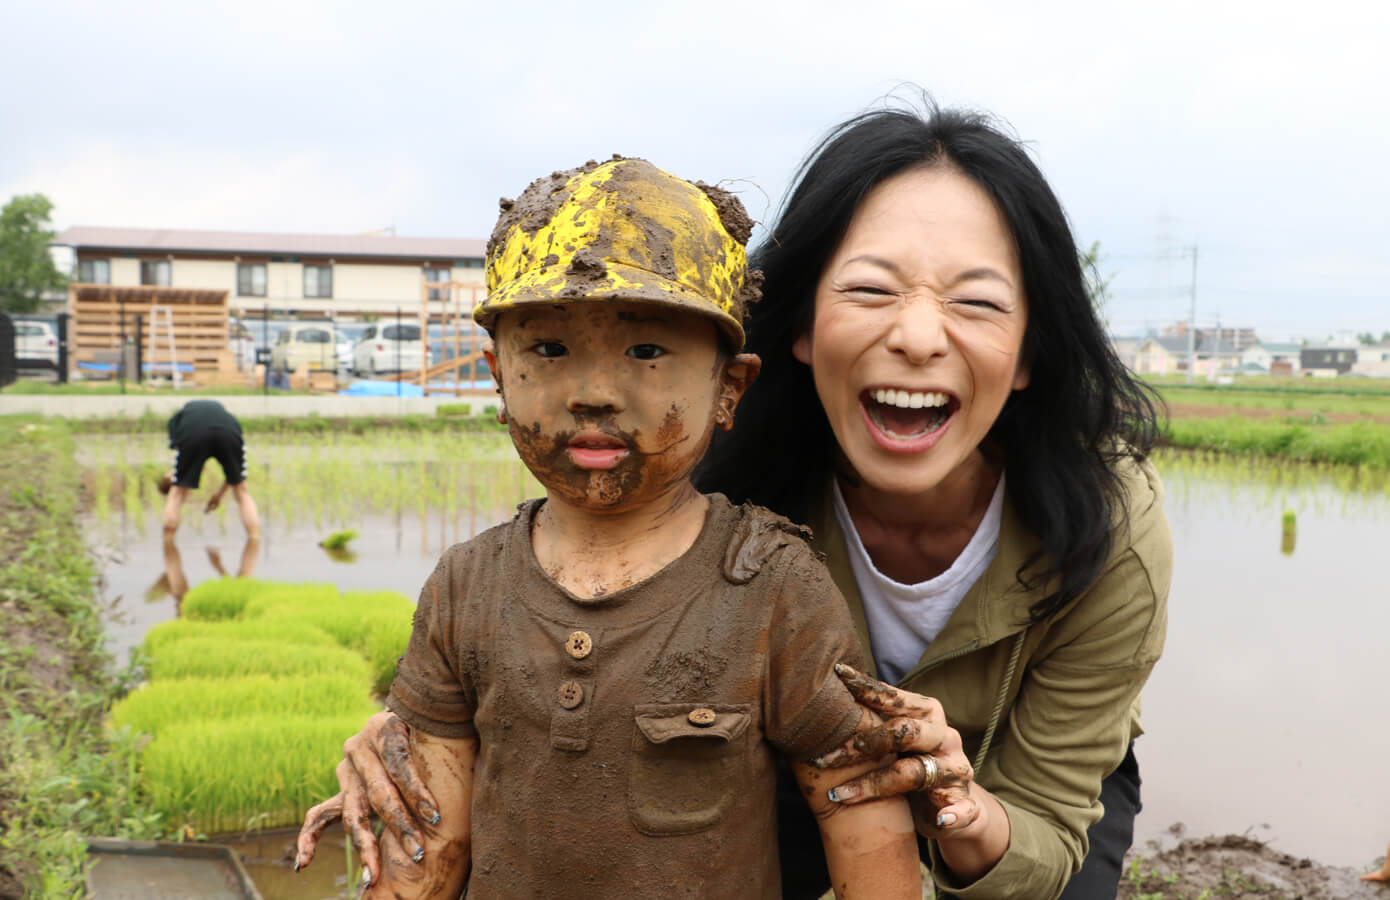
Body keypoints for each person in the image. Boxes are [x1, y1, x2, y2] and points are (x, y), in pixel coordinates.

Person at [297, 101, 1171, 900]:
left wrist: (955, 803)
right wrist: (419, 728)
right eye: (870, 289)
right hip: (774, 756)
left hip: (1005, 804)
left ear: (1028, 353)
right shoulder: (711, 476)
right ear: (797, 326)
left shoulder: (1105, 529)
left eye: (975, 302)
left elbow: (1054, 824)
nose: (915, 336)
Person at [308, 157, 923, 899]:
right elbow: (427, 837)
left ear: (730, 388)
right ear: (498, 378)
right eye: (549, 349)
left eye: (646, 351)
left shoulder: (773, 585)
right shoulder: (466, 588)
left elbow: (859, 804)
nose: (594, 393)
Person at [156, 399, 260, 539]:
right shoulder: (223, 414)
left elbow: (183, 460)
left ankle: (168, 541)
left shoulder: (177, 419)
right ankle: (254, 538)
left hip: (193, 433)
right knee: (242, 491)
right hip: (229, 431)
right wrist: (219, 495)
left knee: (177, 494)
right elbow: (233, 477)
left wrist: (180, 482)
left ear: (169, 477)